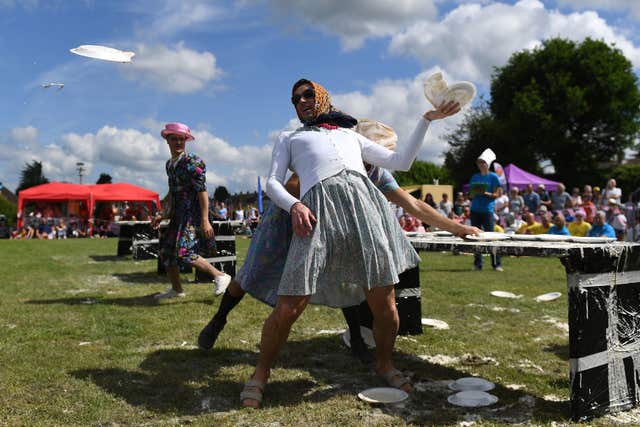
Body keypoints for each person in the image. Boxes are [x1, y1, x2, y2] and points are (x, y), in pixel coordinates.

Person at [236, 79, 462, 408]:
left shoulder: (350, 135)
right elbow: (272, 182)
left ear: (323, 97)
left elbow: (401, 161)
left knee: (386, 306)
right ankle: (260, 374)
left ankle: (384, 363)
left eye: (307, 94)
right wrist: (295, 205)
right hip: (317, 214)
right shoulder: (291, 138)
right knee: (288, 308)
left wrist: (425, 119)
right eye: (295, 98)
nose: (301, 101)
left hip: (365, 212)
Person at [155, 122, 232, 300]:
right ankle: (177, 289)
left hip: (192, 216)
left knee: (185, 252)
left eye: (182, 139)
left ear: (186, 141)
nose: (178, 143)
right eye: (174, 139)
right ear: (167, 140)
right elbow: (173, 193)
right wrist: (162, 215)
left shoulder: (192, 161)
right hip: (177, 216)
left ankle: (220, 276)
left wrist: (205, 219)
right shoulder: (169, 165)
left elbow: (202, 191)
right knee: (167, 252)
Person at [468, 148, 503, 271]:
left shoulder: (493, 177)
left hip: (487, 210)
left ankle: (496, 264)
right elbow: (470, 195)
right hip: (475, 210)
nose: (481, 164)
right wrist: (473, 193)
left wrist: (485, 193)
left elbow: (497, 195)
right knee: (475, 237)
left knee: (491, 237)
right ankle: (477, 264)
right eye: (479, 162)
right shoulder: (474, 177)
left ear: (487, 164)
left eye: (483, 162)